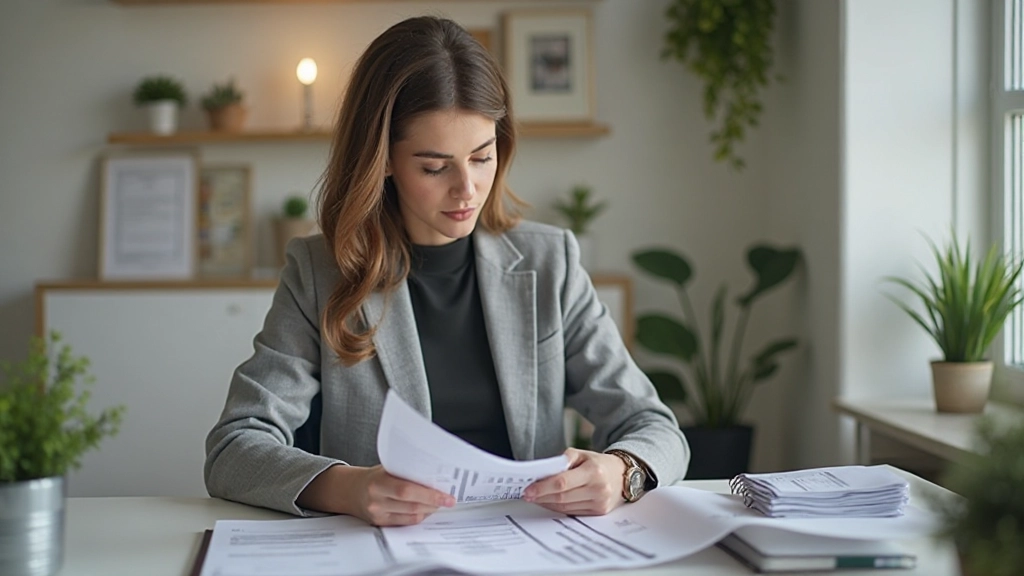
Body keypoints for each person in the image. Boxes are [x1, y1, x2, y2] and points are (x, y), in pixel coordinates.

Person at [204, 15, 689, 527]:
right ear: (383, 159)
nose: (467, 189)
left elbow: (653, 425)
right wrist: (350, 487)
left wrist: (621, 470)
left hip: (529, 547)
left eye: (482, 157)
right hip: (386, 555)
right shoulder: (320, 272)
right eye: (435, 167)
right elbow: (234, 449)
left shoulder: (551, 263)